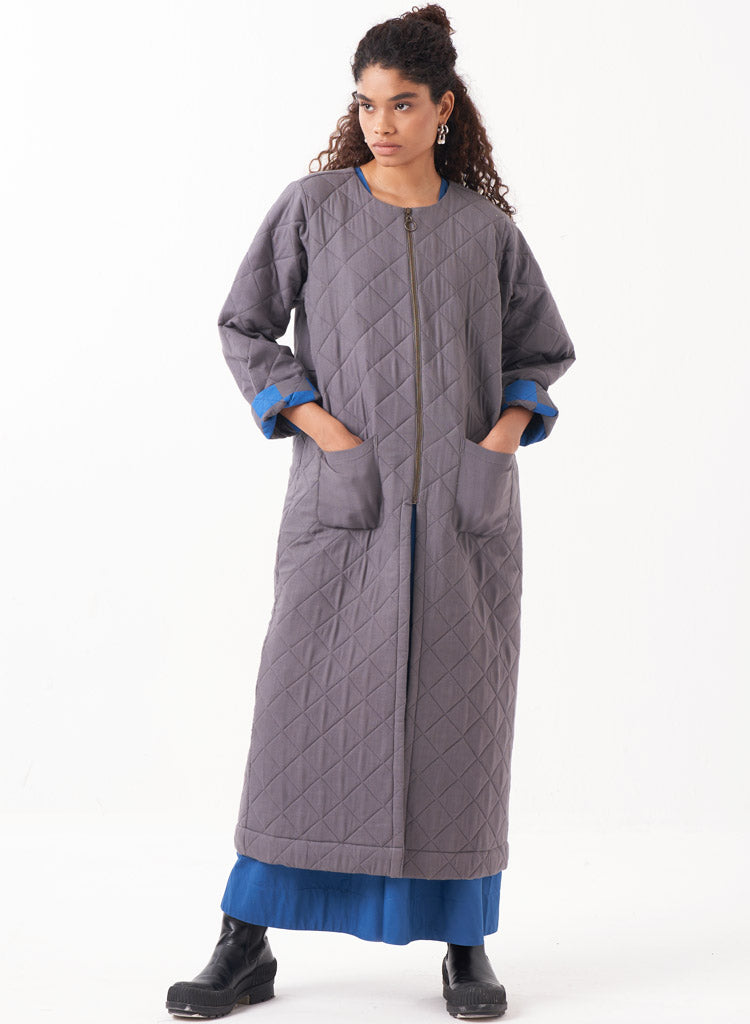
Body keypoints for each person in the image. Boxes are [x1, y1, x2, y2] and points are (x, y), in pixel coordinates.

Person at [165, 4, 576, 1020]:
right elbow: (245, 325)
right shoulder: (312, 208)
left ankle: (466, 946)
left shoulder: (487, 233)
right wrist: (324, 430)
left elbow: (541, 351)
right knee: (298, 713)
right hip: (342, 511)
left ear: (444, 108)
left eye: (402, 104)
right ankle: (244, 942)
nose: (381, 123)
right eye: (366, 104)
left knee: (461, 726)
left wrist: (495, 445)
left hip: (465, 526)